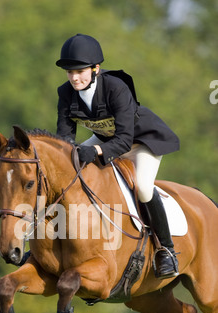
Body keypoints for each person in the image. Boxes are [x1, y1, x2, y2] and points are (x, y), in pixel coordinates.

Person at [56, 33, 180, 280]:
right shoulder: (65, 92)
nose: (74, 77)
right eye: (70, 72)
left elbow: (124, 139)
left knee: (143, 187)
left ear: (96, 69)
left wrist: (97, 152)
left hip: (140, 141)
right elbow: (64, 139)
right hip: (106, 139)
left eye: (80, 71)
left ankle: (167, 250)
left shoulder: (115, 87)